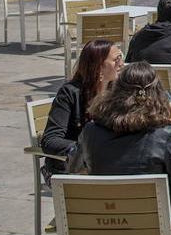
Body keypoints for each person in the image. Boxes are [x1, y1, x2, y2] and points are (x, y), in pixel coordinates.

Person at [65, 62, 171, 235]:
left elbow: (72, 173)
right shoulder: (165, 134)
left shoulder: (91, 131)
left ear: (115, 91)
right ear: (158, 93)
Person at [41, 40, 123, 185]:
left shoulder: (117, 91)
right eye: (116, 60)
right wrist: (87, 150)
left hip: (106, 164)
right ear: (99, 67)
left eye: (121, 57)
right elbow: (50, 140)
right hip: (67, 169)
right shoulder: (70, 93)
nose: (121, 64)